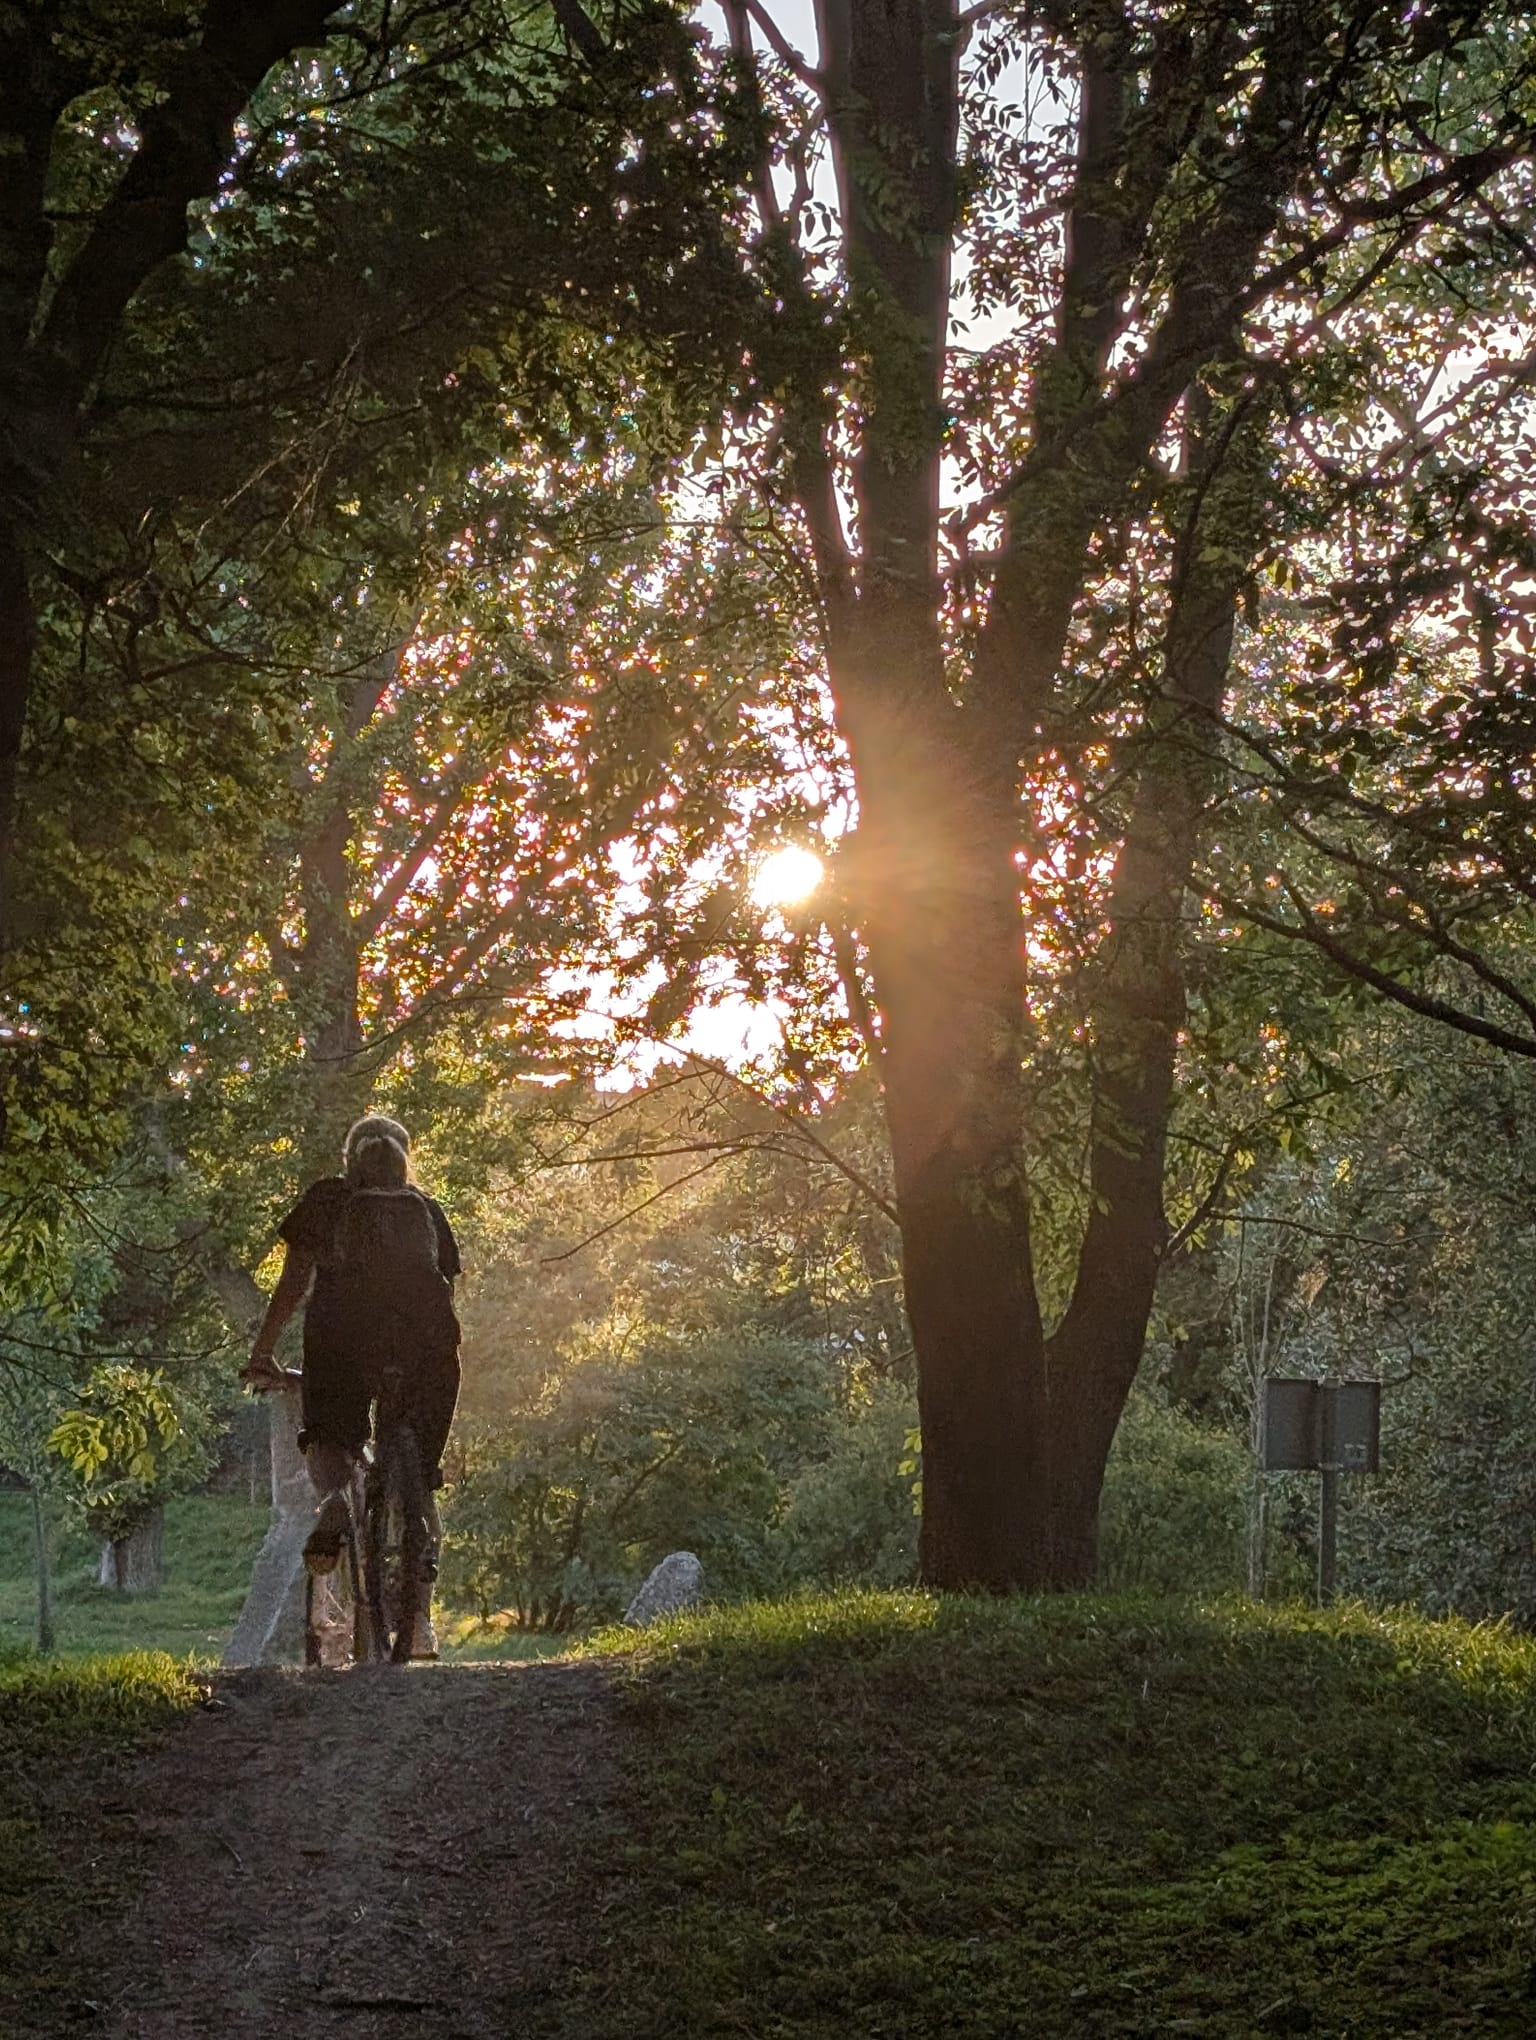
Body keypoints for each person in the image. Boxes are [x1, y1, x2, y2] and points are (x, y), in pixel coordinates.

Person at [242, 1113, 462, 1658]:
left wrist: (262, 1350)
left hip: (345, 1334)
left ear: (349, 1160)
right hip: (425, 1346)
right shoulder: (427, 1209)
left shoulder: (329, 1200)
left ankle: (338, 1500)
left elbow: (294, 1284)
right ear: (404, 1160)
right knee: (418, 1469)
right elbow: (447, 1295)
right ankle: (420, 1617)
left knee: (328, 1432)